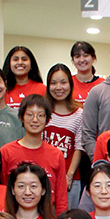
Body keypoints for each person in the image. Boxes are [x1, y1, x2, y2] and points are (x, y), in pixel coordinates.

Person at [0, 94, 68, 212]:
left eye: (40, 115)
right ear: (21, 117)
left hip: (47, 216)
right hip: (14, 215)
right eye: (30, 114)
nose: (35, 120)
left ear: (47, 120)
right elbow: (2, 192)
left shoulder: (56, 155)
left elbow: (61, 199)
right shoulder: (7, 152)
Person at [43, 63, 84, 211]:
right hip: (43, 177)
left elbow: (79, 147)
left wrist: (69, 176)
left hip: (70, 179)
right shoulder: (43, 111)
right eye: (53, 83)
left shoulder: (79, 113)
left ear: (70, 84)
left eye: (63, 82)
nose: (58, 87)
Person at [2, 45, 45, 110]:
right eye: (15, 59)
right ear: (9, 64)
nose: (20, 62)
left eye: (24, 59)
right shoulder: (2, 89)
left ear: (31, 63)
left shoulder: (42, 89)